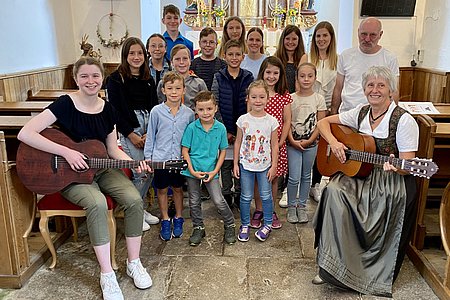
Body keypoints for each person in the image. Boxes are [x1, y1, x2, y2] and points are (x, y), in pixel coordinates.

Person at [17, 57, 152, 300]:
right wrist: (66, 152)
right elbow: (25, 133)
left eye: (95, 76)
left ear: (102, 78)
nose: (90, 81)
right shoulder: (65, 104)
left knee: (134, 199)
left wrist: (135, 163)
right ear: (76, 79)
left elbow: (112, 150)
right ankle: (107, 274)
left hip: (100, 167)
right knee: (97, 204)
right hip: (68, 173)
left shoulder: (108, 108)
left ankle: (134, 262)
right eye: (84, 76)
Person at [313, 66, 419, 297]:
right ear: (364, 89)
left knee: (364, 204)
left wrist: (396, 166)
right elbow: (323, 124)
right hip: (361, 174)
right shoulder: (361, 112)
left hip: (389, 181)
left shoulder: (403, 121)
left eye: (381, 85)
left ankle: (363, 271)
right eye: (370, 85)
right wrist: (334, 142)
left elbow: (407, 166)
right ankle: (330, 268)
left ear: (391, 90)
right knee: (332, 191)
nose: (375, 90)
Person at [106, 37, 160, 232]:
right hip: (130, 127)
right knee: (139, 172)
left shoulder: (148, 78)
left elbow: (154, 107)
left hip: (148, 126)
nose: (136, 57)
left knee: (150, 171)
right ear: (125, 56)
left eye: (139, 53)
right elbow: (115, 110)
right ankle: (134, 213)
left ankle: (141, 207)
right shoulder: (115, 79)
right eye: (132, 53)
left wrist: (149, 133)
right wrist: (131, 134)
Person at [144, 71, 195, 241]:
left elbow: (191, 138)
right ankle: (165, 218)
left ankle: (178, 217)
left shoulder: (188, 114)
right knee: (162, 189)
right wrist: (148, 158)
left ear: (183, 90)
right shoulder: (156, 112)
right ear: (163, 90)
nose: (174, 91)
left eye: (178, 88)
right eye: (170, 88)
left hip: (179, 161)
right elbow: (151, 135)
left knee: (178, 189)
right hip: (161, 159)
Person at [181, 91, 236, 246]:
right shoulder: (192, 128)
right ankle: (198, 227)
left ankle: (230, 224)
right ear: (196, 110)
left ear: (215, 108)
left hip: (211, 171)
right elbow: (185, 150)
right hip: (192, 171)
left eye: (209, 109)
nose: (205, 113)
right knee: (194, 200)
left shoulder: (220, 128)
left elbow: (223, 150)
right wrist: (191, 170)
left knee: (218, 200)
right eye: (201, 109)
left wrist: (215, 171)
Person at [233, 80, 279, 242]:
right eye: (254, 97)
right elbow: (238, 142)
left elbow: (274, 144)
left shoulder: (271, 121)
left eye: (261, 97)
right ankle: (245, 224)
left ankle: (267, 224)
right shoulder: (243, 120)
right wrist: (235, 164)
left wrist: (274, 165)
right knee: (246, 196)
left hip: (265, 166)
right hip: (246, 165)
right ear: (248, 99)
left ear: (267, 99)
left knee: (266, 196)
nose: (258, 101)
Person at [211, 39, 254, 210]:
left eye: (237, 54)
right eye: (230, 54)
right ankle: (226, 193)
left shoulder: (248, 76)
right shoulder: (218, 77)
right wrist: (226, 130)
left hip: (243, 129)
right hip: (224, 128)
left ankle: (239, 192)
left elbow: (250, 103)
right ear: (224, 56)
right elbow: (216, 103)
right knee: (226, 163)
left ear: (243, 57)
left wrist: (242, 130)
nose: (234, 58)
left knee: (240, 162)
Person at [250, 56, 292, 230]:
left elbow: (287, 121)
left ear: (280, 74)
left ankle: (270, 210)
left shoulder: (284, 96)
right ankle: (259, 210)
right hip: (259, 146)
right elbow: (249, 118)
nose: (271, 76)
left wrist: (281, 142)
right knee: (258, 180)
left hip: (277, 146)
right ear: (262, 73)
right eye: (268, 72)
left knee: (273, 179)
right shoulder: (257, 93)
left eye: (276, 73)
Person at [330, 17, 399, 114]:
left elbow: (394, 91)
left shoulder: (389, 58)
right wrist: (333, 112)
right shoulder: (346, 55)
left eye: (372, 35)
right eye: (363, 34)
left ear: (380, 35)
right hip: (347, 113)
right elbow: (338, 88)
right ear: (358, 32)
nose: (367, 39)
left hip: (377, 115)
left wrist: (392, 117)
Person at [286, 63, 327, 224]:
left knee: (306, 176)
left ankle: (302, 207)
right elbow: (287, 122)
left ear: (315, 78)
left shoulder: (319, 99)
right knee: (294, 177)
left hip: (312, 144)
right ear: (297, 77)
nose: (306, 79)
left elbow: (321, 123)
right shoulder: (290, 98)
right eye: (302, 76)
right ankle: (291, 206)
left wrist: (310, 139)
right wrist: (291, 140)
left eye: (310, 76)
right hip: (293, 144)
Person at [307, 21, 338, 202]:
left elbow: (338, 88)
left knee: (322, 147)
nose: (321, 39)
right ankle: (293, 184)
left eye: (325, 35)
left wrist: (333, 110)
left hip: (329, 109)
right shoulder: (308, 58)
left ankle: (316, 184)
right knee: (306, 144)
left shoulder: (338, 60)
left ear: (331, 38)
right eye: (318, 35)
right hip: (309, 108)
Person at [157, 44, 207, 110]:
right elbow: (161, 105)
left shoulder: (199, 84)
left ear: (190, 61)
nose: (181, 62)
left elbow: (205, 105)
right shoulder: (163, 83)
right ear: (171, 62)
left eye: (185, 59)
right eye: (177, 59)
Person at [274, 25, 307, 94]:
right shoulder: (276, 57)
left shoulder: (303, 58)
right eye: (287, 38)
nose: (290, 42)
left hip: (298, 96)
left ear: (299, 40)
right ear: (283, 39)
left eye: (294, 39)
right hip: (279, 97)